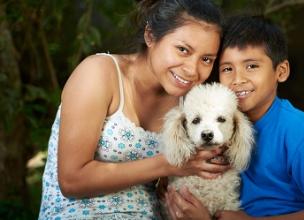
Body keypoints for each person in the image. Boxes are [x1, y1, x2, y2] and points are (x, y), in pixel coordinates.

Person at [38, 0, 229, 219]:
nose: (192, 70)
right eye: (183, 50)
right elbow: (72, 180)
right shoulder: (99, 73)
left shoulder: (190, 105)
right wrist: (169, 164)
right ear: (150, 36)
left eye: (206, 59)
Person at [166, 15, 304, 220]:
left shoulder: (299, 132)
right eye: (227, 69)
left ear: (281, 71)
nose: (238, 79)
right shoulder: (224, 123)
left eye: (251, 66)